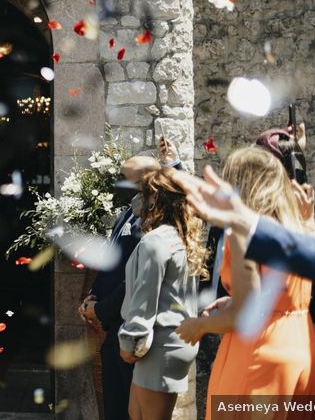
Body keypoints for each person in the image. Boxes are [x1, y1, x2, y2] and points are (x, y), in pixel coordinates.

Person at [175, 147, 315, 419]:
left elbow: (246, 316)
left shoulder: (244, 232)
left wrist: (198, 325)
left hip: (259, 355)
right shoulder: (298, 227)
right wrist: (234, 299)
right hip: (304, 350)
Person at [79, 136, 179, 420]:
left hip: (136, 331)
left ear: (146, 183)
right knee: (114, 408)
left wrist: (101, 309)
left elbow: (137, 279)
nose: (117, 183)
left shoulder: (155, 224)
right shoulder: (126, 214)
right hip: (114, 329)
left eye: (124, 178)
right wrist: (93, 296)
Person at [117, 166, 207, 420]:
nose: (138, 201)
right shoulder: (181, 237)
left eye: (143, 194)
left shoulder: (154, 241)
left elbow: (144, 301)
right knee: (136, 412)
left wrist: (130, 343)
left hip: (159, 344)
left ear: (155, 198)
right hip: (173, 341)